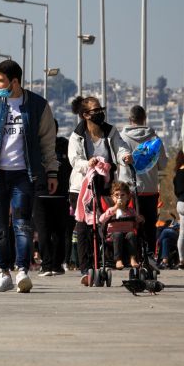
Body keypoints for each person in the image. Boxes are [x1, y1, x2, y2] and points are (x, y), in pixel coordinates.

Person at [0, 60, 59, 293]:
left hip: (24, 175)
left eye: (0, 81)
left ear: (15, 82)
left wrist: (52, 172)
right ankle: (4, 273)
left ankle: (22, 272)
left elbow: (48, 142)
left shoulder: (38, 105)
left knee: (22, 225)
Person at [68, 96, 132, 285]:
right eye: (95, 110)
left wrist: (125, 156)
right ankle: (86, 268)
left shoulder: (110, 131)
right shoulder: (77, 135)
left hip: (104, 186)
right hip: (82, 188)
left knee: (104, 224)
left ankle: (105, 261)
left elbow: (120, 148)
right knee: (84, 228)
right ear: (85, 115)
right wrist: (87, 163)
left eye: (100, 109)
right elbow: (74, 160)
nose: (100, 113)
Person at [118, 105, 168, 257]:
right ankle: (149, 256)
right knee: (149, 226)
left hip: (127, 192)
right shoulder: (155, 139)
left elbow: (116, 161)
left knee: (129, 225)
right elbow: (163, 164)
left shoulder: (121, 139)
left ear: (130, 119)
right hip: (150, 190)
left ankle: (131, 257)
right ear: (144, 119)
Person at [33, 119, 73, 277]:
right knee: (51, 231)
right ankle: (51, 265)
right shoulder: (63, 145)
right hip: (47, 194)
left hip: (53, 194)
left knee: (52, 231)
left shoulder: (38, 146)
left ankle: (51, 265)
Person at [99, 181, 143, 270]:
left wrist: (139, 219)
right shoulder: (111, 210)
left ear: (128, 197)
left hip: (127, 234)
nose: (120, 197)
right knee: (118, 234)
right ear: (112, 197)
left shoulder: (130, 211)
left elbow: (138, 221)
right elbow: (101, 220)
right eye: (117, 195)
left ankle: (133, 258)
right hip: (113, 235)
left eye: (122, 195)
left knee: (132, 234)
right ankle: (118, 260)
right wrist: (115, 208)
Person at [172, 150, 184, 269]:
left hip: (181, 203)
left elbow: (176, 191)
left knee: (182, 233)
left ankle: (182, 260)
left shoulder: (178, 173)